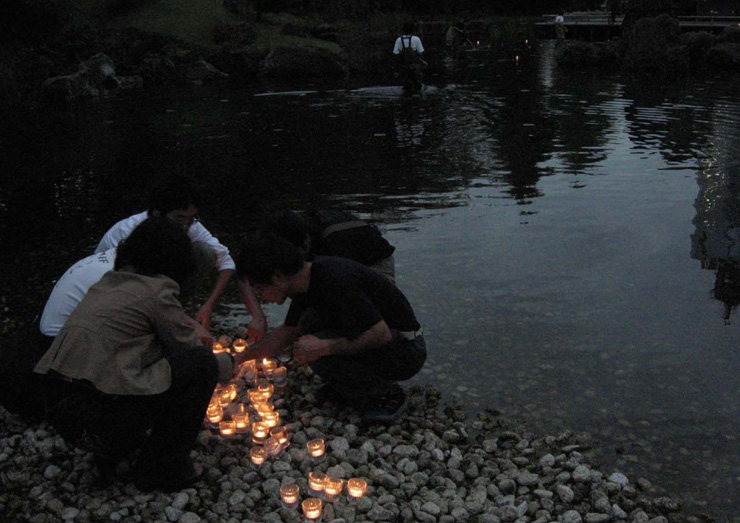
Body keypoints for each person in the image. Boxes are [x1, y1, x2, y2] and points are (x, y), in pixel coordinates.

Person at [34, 217, 237, 491]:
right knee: (201, 364)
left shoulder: (107, 283)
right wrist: (229, 363)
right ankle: (161, 469)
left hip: (59, 411)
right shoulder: (156, 291)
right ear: (174, 261)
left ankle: (112, 454)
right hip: (101, 422)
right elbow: (190, 352)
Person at [235, 233, 426, 424]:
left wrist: (325, 347)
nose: (261, 296)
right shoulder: (304, 282)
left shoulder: (336, 279)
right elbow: (286, 333)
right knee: (307, 327)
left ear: (277, 277)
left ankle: (386, 395)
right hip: (382, 339)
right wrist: (237, 360)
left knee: (313, 344)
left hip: (406, 349)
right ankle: (350, 386)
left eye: (260, 289)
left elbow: (380, 334)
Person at [95, 175, 266, 338]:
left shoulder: (189, 225)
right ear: (157, 213)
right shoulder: (130, 233)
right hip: (114, 293)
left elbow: (226, 262)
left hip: (155, 287)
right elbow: (129, 285)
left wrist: (208, 305)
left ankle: (174, 313)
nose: (185, 224)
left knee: (204, 252)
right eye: (179, 218)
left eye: (190, 218)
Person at [264, 209, 396, 282]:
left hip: (375, 262)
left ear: (305, 242)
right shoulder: (291, 229)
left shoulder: (333, 240)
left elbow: (342, 281)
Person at [393, 22, 426, 92]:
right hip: (415, 67)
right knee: (418, 86)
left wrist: (396, 69)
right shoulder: (416, 39)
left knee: (406, 86)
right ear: (413, 30)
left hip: (404, 66)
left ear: (403, 30)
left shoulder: (399, 40)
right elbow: (421, 52)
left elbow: (395, 54)